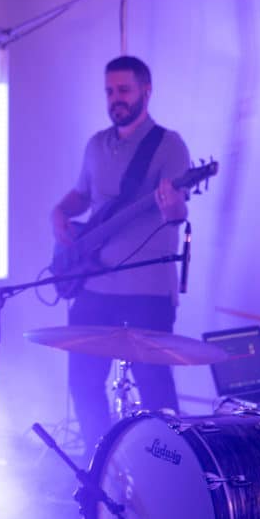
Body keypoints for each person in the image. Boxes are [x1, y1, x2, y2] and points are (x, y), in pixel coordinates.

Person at [50, 56, 190, 456]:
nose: (116, 99)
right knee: (83, 384)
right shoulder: (96, 144)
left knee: (155, 392)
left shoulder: (168, 145)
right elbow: (83, 196)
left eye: (124, 90)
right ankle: (103, 466)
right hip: (93, 286)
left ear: (146, 90)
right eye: (110, 91)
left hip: (147, 293)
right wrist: (59, 212)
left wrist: (173, 206)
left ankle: (166, 472)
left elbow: (177, 212)